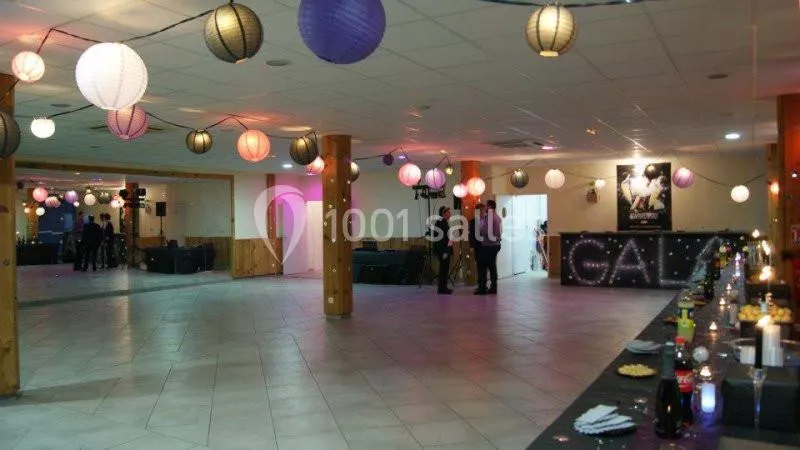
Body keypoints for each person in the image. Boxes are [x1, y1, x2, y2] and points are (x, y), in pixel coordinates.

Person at [477, 200, 502, 295]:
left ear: (490, 207)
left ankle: (482, 288)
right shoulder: (497, 217)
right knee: (492, 266)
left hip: (489, 245)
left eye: (486, 206)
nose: (485, 208)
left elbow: (485, 231)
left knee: (483, 266)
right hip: (496, 244)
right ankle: (493, 287)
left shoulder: (490, 217)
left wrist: (480, 228)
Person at [433, 206, 453, 295]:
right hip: (443, 250)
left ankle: (444, 287)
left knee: (445, 269)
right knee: (443, 269)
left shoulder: (443, 222)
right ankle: (442, 289)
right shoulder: (440, 223)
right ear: (444, 213)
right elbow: (440, 240)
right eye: (448, 212)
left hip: (445, 249)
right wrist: (444, 252)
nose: (450, 214)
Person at [470, 203, 485, 294]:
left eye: (483, 210)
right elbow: (471, 234)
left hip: (486, 247)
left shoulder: (487, 220)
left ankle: (483, 286)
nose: (483, 212)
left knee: (485, 267)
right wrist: (472, 246)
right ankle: (481, 286)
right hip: (478, 247)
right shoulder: (473, 221)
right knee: (479, 266)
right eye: (482, 210)